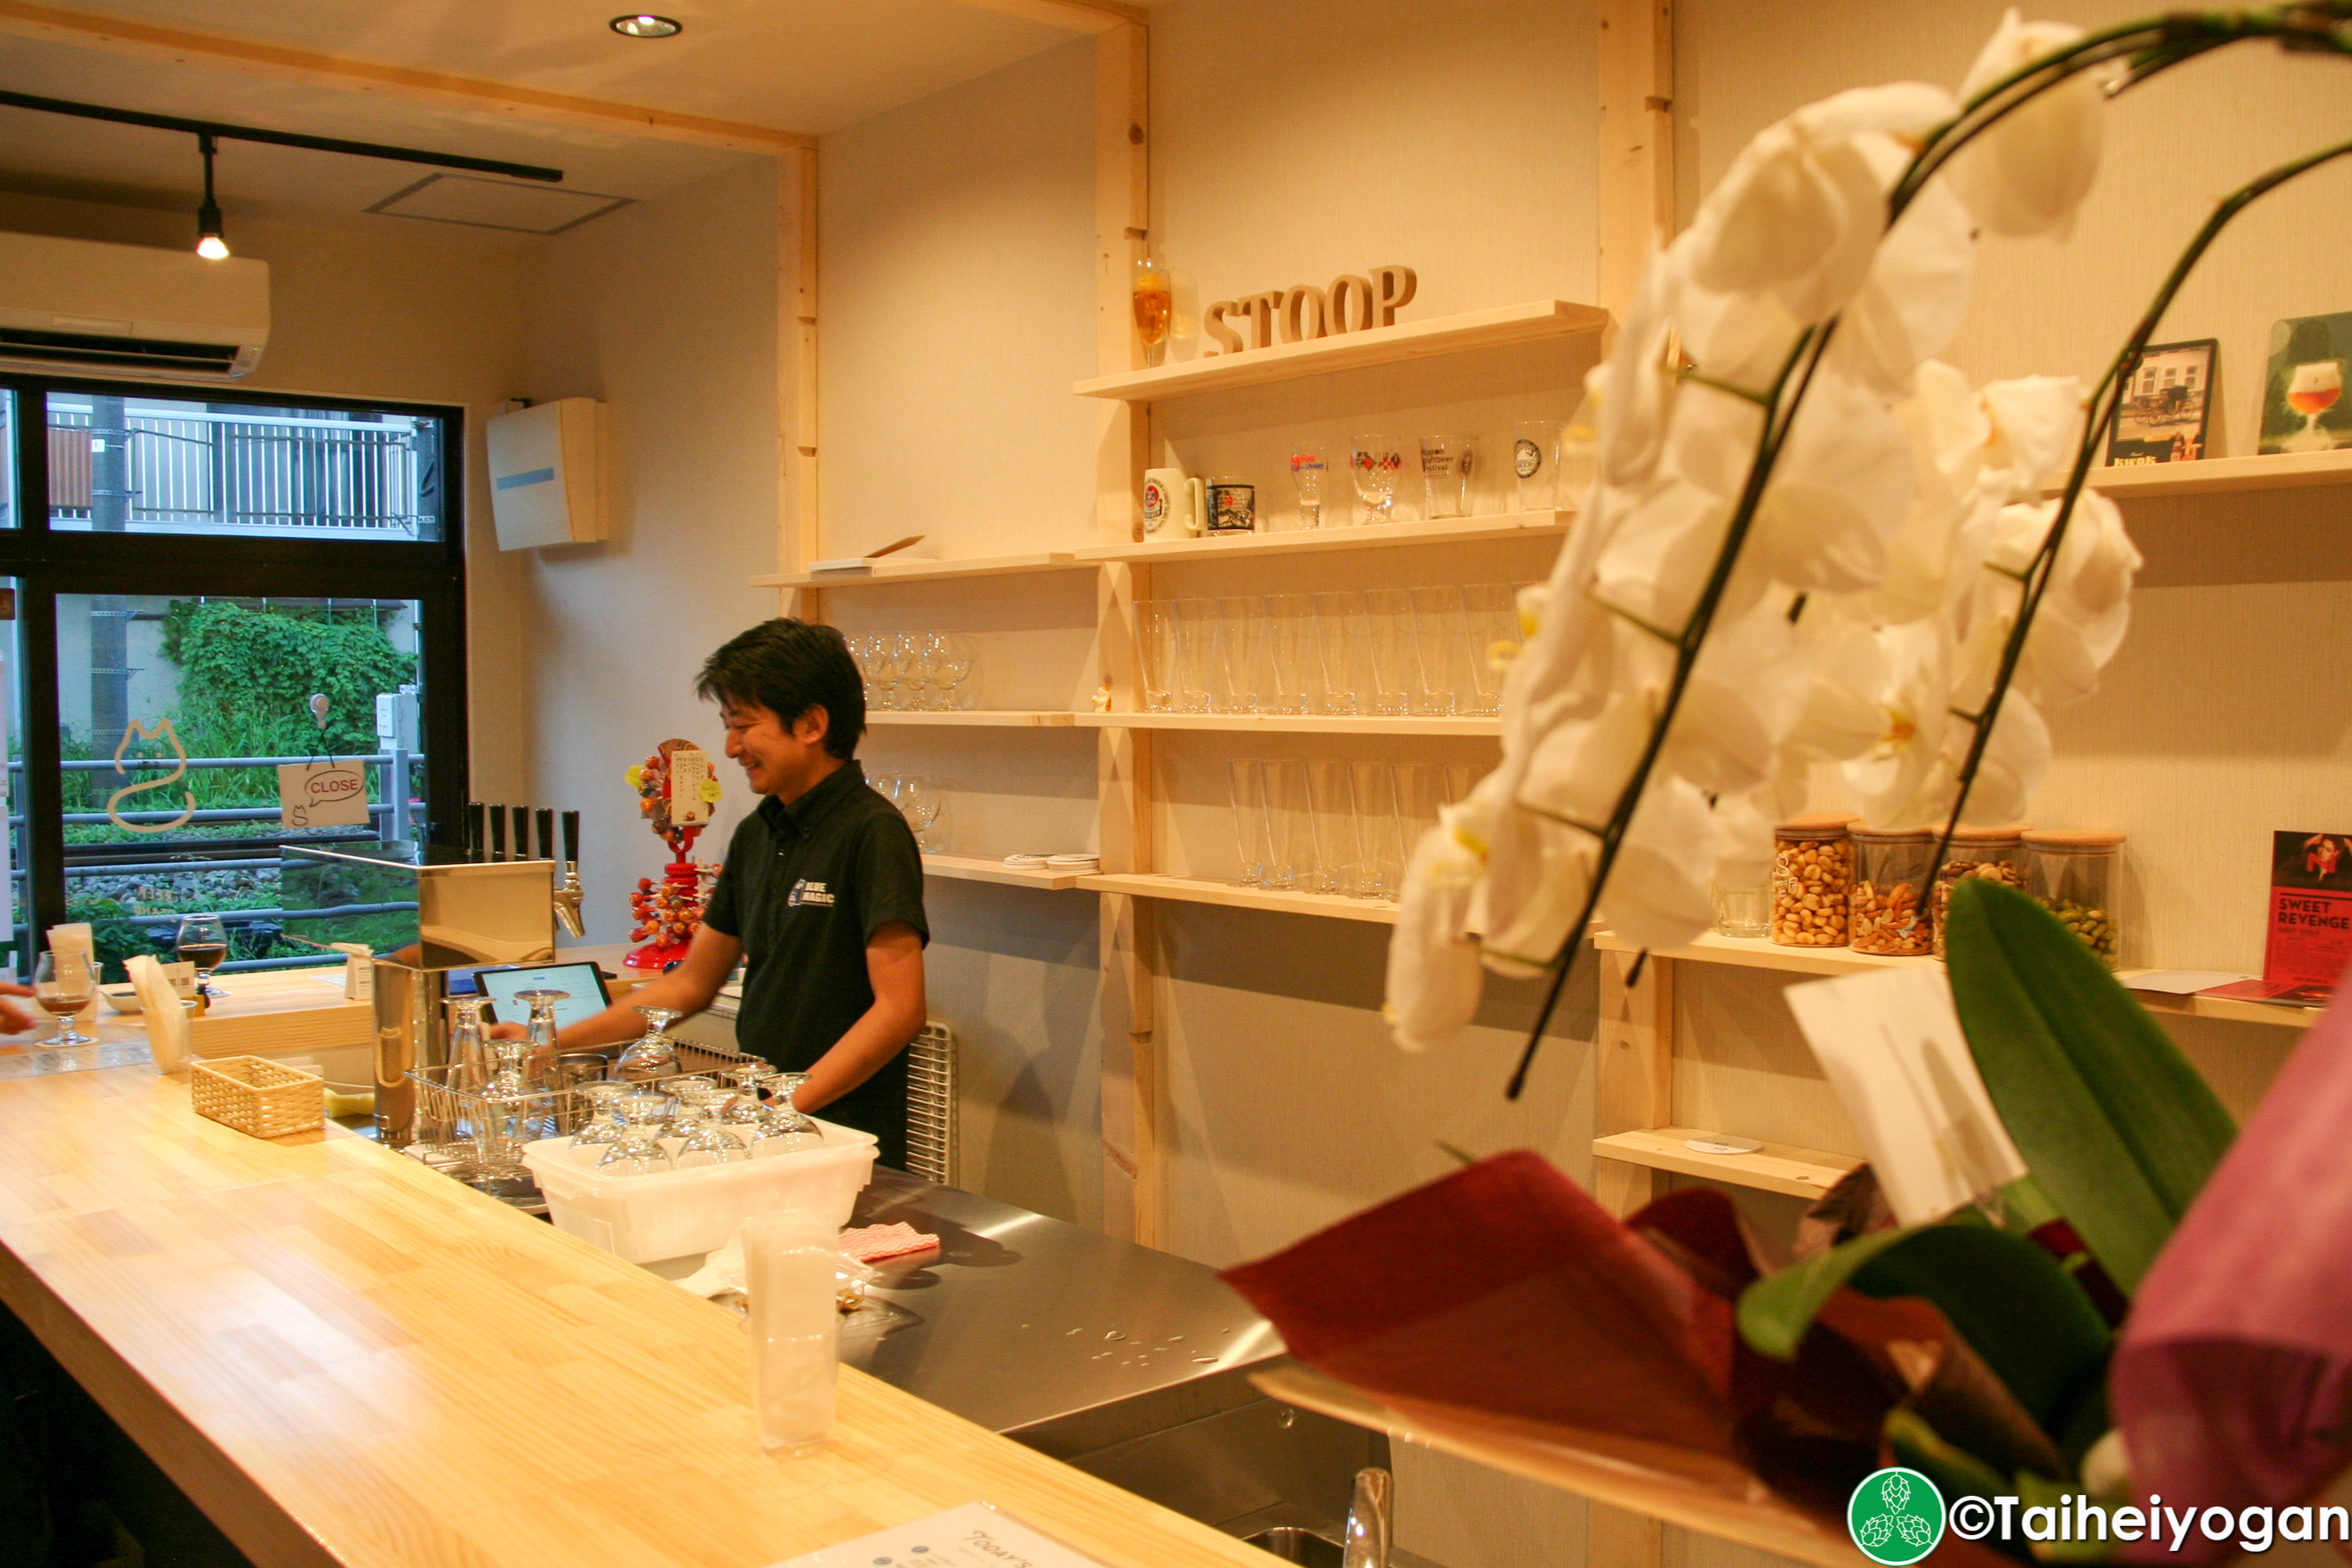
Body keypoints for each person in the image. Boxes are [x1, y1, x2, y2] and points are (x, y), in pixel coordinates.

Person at [500, 619, 927, 1167]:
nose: (731, 748)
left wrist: (784, 1104)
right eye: (728, 726)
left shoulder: (872, 832)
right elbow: (691, 984)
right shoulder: (759, 831)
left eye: (744, 726)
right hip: (769, 1125)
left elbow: (900, 1009)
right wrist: (554, 1045)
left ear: (812, 724)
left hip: (840, 1134)